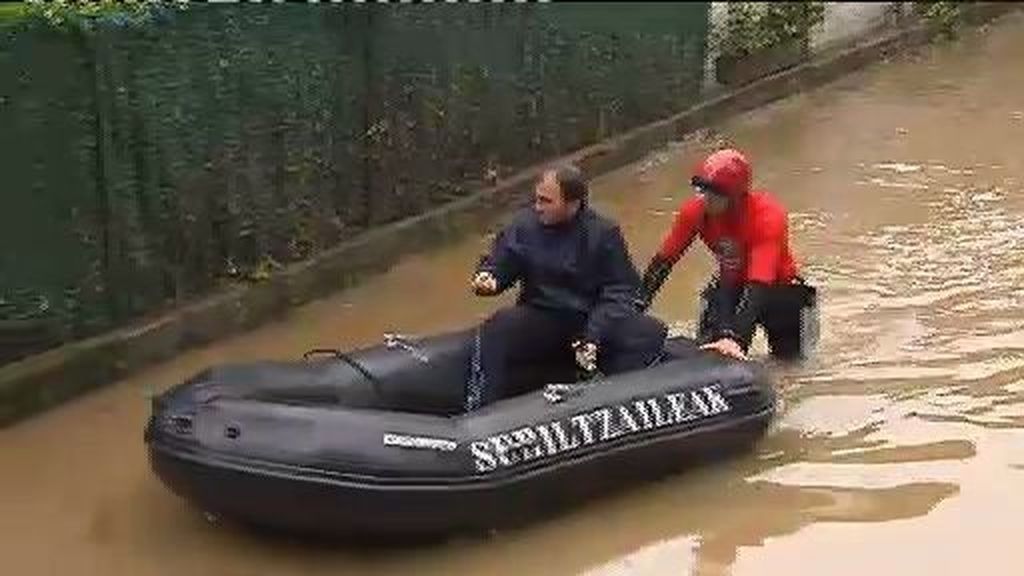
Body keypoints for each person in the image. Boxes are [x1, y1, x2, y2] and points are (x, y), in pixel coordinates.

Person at [466, 164, 667, 410]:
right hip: (545, 314)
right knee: (498, 327)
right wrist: (490, 277)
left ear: (573, 204)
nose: (538, 207)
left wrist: (594, 335)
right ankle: (484, 407)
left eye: (546, 201)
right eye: (537, 199)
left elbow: (621, 290)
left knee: (650, 332)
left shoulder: (603, 233)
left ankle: (610, 400)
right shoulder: (524, 225)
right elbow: (505, 260)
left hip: (591, 317)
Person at [636, 148, 818, 362]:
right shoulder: (695, 212)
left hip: (778, 291)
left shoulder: (767, 216)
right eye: (702, 191)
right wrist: (636, 306)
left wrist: (734, 339)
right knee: (709, 355)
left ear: (735, 197)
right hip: (729, 286)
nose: (706, 200)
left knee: (792, 365)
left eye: (714, 194)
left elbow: (759, 281)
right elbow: (664, 261)